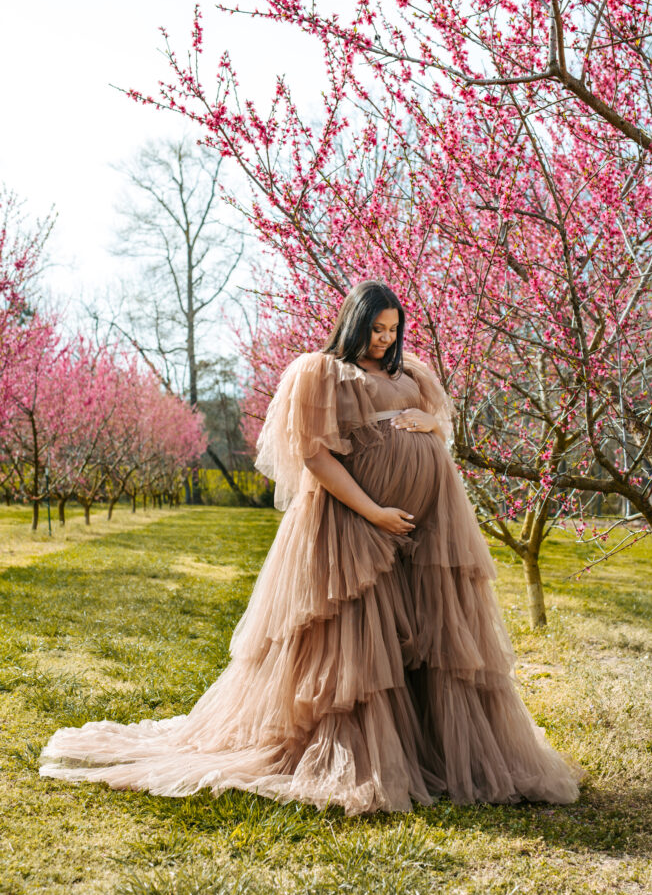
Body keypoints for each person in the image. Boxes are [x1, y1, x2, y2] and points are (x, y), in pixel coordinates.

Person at [40, 280, 583, 815]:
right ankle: (362, 755)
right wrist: (374, 512)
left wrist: (428, 427)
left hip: (426, 527)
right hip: (351, 524)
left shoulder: (412, 371)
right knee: (358, 644)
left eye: (393, 331)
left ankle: (427, 747)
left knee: (426, 636)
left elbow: (438, 430)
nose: (385, 340)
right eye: (376, 329)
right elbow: (316, 457)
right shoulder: (321, 373)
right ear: (354, 323)